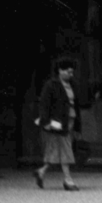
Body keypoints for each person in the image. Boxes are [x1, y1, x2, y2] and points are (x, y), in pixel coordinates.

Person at [35, 57, 81, 191]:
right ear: (60, 71)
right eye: (68, 72)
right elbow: (44, 104)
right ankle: (68, 180)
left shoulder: (73, 84)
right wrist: (46, 121)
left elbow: (76, 104)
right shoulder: (51, 85)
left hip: (70, 120)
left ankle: (41, 171)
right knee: (66, 147)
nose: (70, 74)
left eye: (72, 72)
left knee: (57, 149)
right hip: (58, 122)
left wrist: (78, 126)